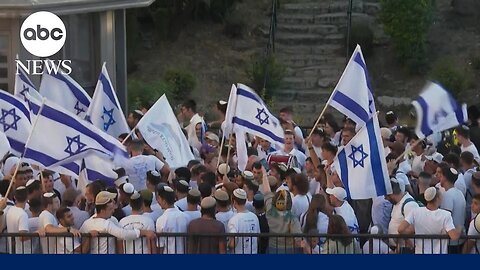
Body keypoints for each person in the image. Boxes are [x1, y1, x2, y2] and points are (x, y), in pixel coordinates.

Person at [80, 191, 156, 254]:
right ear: (102, 210)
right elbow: (123, 234)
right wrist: (143, 232)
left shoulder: (87, 223)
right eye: (110, 209)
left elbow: (78, 238)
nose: (113, 211)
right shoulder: (107, 224)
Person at [398, 187, 462, 254]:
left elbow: (400, 229)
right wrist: (459, 228)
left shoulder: (415, 212)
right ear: (438, 198)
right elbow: (454, 236)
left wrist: (410, 235)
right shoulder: (445, 215)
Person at [259, 166, 302, 253]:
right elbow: (298, 239)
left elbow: (267, 192)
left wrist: (264, 174)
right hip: (289, 251)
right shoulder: (292, 218)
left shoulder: (270, 212)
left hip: (272, 249)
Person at [436, 163, 466, 253]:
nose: (439, 178)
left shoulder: (448, 195)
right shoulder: (459, 193)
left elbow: (445, 219)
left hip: (450, 242)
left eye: (441, 176)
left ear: (444, 178)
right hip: (458, 240)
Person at [385, 178, 419, 253]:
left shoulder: (409, 205)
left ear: (394, 192)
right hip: (397, 247)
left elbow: (413, 227)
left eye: (388, 195)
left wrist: (399, 238)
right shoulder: (397, 203)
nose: (386, 198)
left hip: (405, 248)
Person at [155, 185, 188, 254]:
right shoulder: (185, 216)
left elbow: (160, 245)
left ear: (164, 201)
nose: (158, 201)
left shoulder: (161, 220)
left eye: (159, 198)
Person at [227, 188, 260, 254]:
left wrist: (228, 245)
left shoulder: (234, 220)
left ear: (234, 201)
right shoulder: (254, 217)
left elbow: (233, 243)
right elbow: (258, 238)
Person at [6, 186, 32, 254]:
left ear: (15, 197)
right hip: (22, 252)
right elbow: (22, 237)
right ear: (28, 197)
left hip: (13, 250)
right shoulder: (23, 214)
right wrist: (37, 233)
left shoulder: (10, 210)